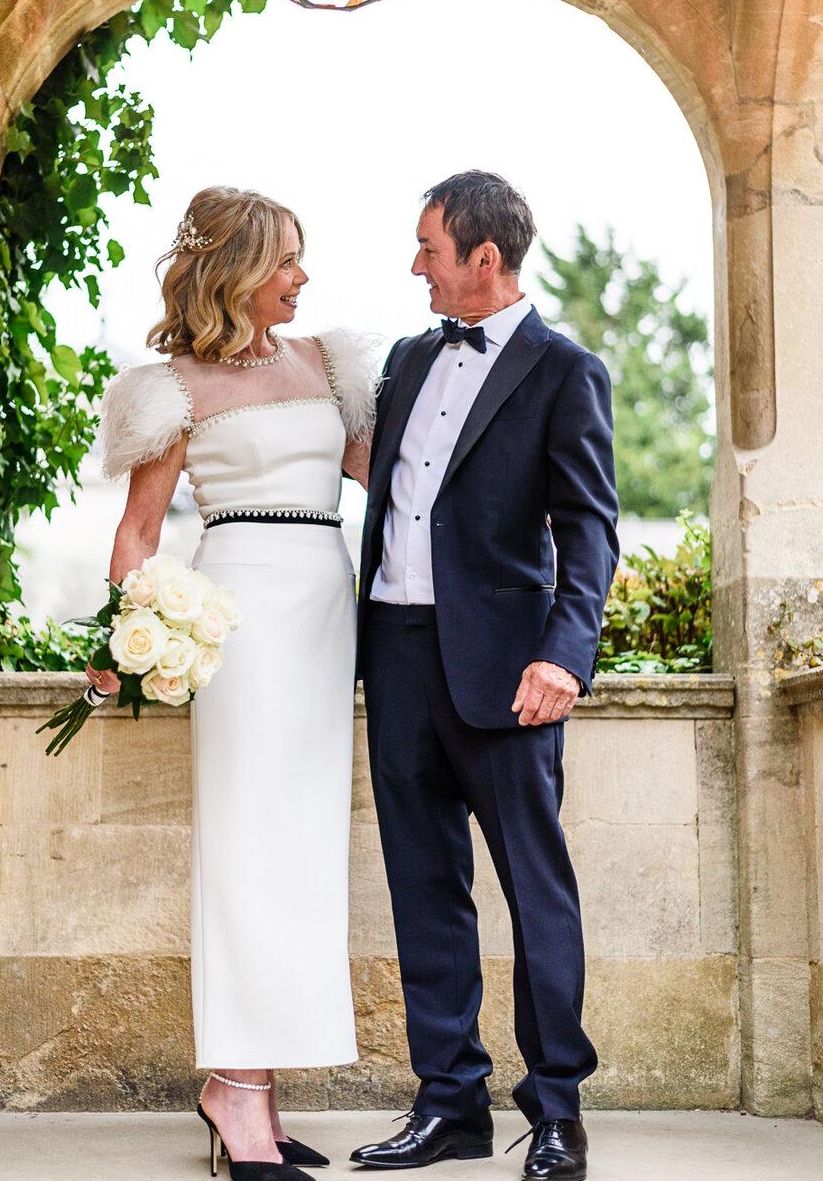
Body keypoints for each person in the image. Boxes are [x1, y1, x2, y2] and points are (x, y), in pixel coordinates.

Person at [88, 186, 377, 1181]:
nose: (303, 276)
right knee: (247, 844)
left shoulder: (331, 364)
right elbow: (140, 529)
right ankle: (237, 1094)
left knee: (302, 848)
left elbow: (389, 475)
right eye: (288, 260)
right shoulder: (171, 388)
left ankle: (252, 1089)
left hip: (325, 606)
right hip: (239, 615)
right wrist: (117, 636)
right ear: (240, 271)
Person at [351, 171, 619, 1181]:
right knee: (425, 889)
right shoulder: (407, 358)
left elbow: (588, 526)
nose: (415, 266)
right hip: (397, 653)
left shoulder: (564, 369)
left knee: (535, 890)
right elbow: (393, 487)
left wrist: (566, 653)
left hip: (511, 671)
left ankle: (557, 1113)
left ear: (483, 259)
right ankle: (449, 1104)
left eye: (428, 249)